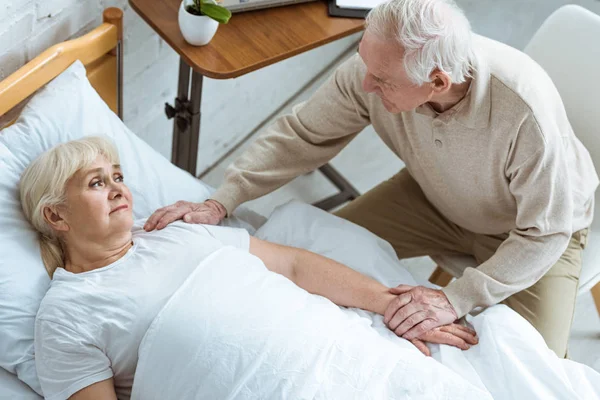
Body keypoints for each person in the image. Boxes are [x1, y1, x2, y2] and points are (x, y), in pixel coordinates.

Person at [144, 0, 599, 358]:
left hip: (532, 233)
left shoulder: (523, 115)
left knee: (533, 367)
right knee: (315, 262)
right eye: (366, 66)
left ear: (438, 82)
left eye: (381, 80)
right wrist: (223, 200)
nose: (366, 86)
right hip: (433, 197)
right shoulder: (376, 71)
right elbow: (302, 134)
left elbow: (546, 232)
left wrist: (457, 298)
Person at [21, 137, 476, 400]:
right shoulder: (66, 315)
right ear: (56, 217)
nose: (118, 189)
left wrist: (391, 305)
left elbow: (293, 266)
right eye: (97, 183)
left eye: (118, 176)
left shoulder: (176, 231)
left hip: (346, 366)